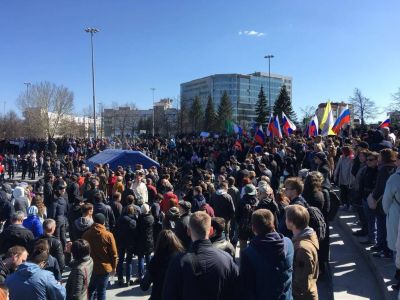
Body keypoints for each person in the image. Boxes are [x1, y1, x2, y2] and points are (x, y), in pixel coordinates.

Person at [162, 211, 239, 300]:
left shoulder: (178, 262)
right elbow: (237, 292)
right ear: (210, 231)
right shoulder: (227, 259)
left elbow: (168, 295)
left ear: (188, 231)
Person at [239, 209, 294, 300]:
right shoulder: (288, 243)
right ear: (273, 224)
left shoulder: (248, 253)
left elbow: (247, 287)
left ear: (253, 228)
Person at [286, 205, 319, 300]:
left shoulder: (302, 249)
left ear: (291, 222)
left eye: (286, 218)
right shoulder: (303, 238)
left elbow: (302, 281)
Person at [140, 230, 184, 300]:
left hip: (158, 296)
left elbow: (144, 286)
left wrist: (142, 277)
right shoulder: (181, 258)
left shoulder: (155, 260)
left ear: (159, 242)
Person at [83, 213, 118, 300]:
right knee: (101, 292)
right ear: (103, 223)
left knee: (90, 290)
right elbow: (114, 254)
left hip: (90, 267)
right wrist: (114, 267)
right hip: (104, 268)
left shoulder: (86, 234)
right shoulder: (108, 235)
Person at [115, 205, 138, 286]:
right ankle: (128, 280)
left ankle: (120, 279)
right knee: (129, 261)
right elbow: (135, 232)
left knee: (120, 260)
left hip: (121, 242)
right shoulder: (133, 221)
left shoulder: (119, 219)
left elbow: (116, 230)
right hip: (130, 242)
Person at [136, 204, 154, 283]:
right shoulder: (151, 218)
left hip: (140, 240)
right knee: (148, 258)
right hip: (149, 240)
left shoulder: (140, 219)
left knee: (140, 258)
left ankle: (140, 275)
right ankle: (149, 274)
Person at [47, 180, 68, 249]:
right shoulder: (63, 200)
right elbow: (65, 210)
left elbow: (52, 214)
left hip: (57, 221)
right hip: (63, 219)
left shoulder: (55, 202)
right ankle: (65, 248)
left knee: (57, 236)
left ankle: (58, 249)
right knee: (63, 236)